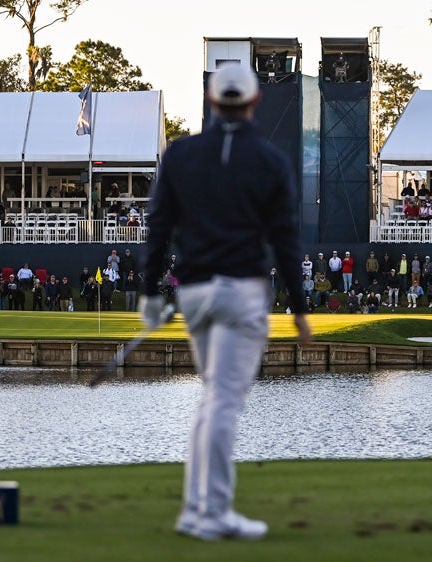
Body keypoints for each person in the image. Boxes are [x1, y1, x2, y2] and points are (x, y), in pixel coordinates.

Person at [141, 63, 311, 542]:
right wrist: (299, 307)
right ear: (255, 102)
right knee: (222, 401)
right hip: (241, 291)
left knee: (212, 397)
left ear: (212, 102)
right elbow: (286, 239)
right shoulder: (270, 158)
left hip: (193, 292)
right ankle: (211, 512)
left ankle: (197, 509)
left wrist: (149, 293)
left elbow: (157, 228)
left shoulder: (180, 154)